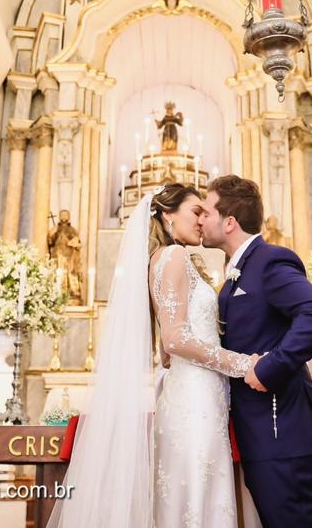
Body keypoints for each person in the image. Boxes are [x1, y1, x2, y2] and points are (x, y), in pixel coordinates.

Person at [48, 183, 260, 528]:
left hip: (193, 393)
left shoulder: (163, 260)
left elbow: (164, 351)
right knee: (197, 500)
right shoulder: (174, 257)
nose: (202, 220)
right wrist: (241, 363)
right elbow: (175, 340)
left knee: (190, 500)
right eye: (196, 212)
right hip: (195, 402)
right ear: (166, 215)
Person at [205, 175, 312, 528]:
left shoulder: (270, 261)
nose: (201, 218)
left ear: (229, 222)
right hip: (261, 433)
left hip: (283, 431)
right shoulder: (236, 271)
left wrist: (270, 367)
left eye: (206, 211)